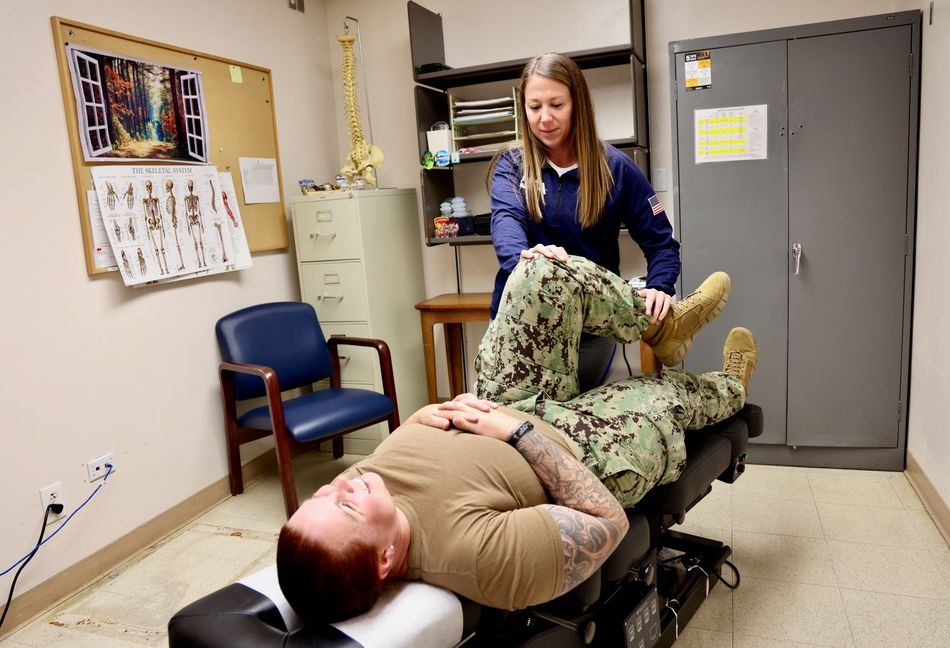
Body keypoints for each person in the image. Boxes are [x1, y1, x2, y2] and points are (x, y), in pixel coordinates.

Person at [277, 255, 758, 624]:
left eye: (323, 492)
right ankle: (732, 389)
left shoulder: (363, 489)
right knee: (664, 393)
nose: (343, 485)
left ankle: (664, 326)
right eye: (343, 505)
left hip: (507, 399)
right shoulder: (474, 559)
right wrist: (517, 433)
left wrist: (427, 414)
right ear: (385, 558)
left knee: (541, 272)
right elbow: (605, 522)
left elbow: (406, 444)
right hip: (577, 450)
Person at [488, 52, 681, 387]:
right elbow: (506, 222)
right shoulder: (512, 164)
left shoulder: (617, 168)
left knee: (572, 417)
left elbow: (662, 243)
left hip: (589, 327)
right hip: (522, 318)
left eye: (556, 105)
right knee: (518, 418)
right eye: (534, 107)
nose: (545, 118)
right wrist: (527, 259)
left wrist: (660, 285)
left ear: (578, 103)